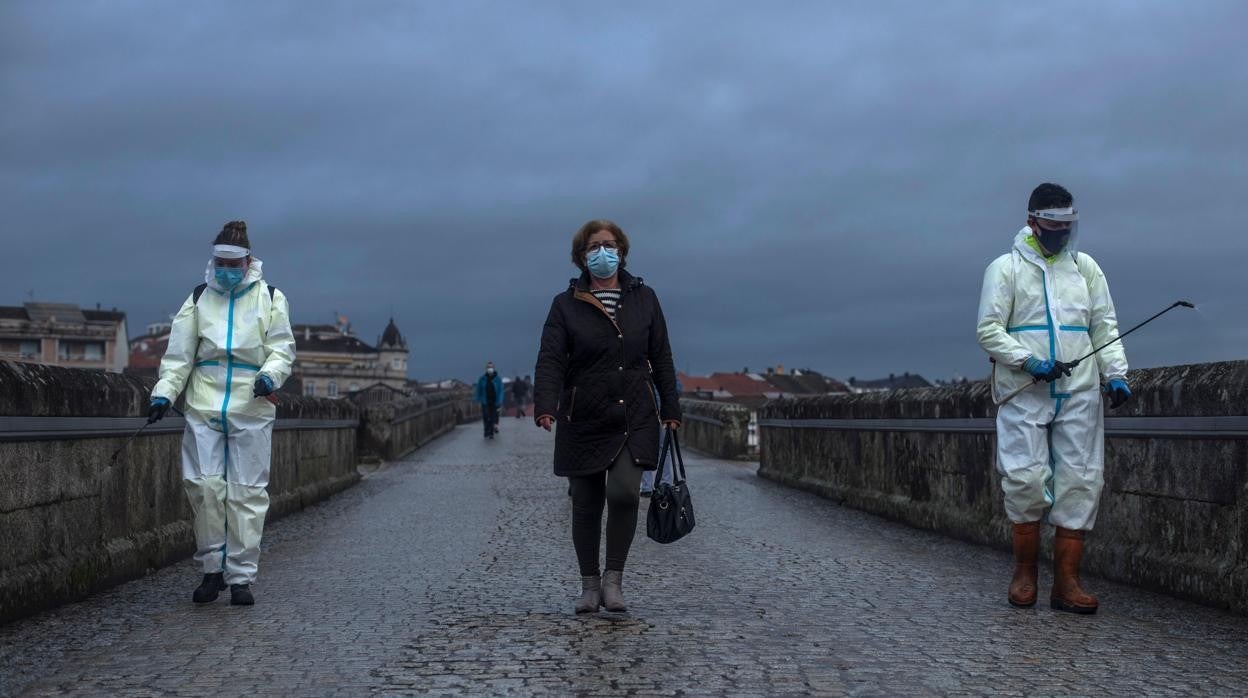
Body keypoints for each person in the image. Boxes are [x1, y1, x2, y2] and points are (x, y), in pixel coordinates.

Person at [976, 183, 1130, 614]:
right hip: (1024, 391)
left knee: (1081, 481)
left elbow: (1104, 324)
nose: (1062, 234)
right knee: (1024, 478)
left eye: (1068, 226)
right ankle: (1024, 573)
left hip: (1079, 389)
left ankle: (1067, 584)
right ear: (1033, 222)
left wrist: (1115, 373)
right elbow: (988, 330)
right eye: (1054, 226)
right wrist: (1028, 361)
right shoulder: (1003, 269)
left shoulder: (1085, 269)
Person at [534, 219, 682, 614]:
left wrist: (671, 407)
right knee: (585, 502)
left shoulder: (644, 298)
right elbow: (550, 357)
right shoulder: (565, 303)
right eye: (595, 246)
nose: (604, 251)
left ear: (622, 250)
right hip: (583, 412)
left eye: (611, 244)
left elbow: (662, 355)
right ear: (582, 256)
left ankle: (614, 579)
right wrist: (546, 405)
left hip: (634, 411)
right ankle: (589, 584)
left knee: (623, 493)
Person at [147, 221, 296, 606]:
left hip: (252, 403)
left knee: (246, 491)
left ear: (248, 262)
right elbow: (179, 355)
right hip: (203, 402)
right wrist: (164, 392)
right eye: (220, 262)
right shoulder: (198, 298)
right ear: (213, 261)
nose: (226, 269)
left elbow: (281, 348)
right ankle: (212, 569)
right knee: (204, 486)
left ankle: (242, 577)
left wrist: (269, 376)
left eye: (233, 262)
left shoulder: (271, 298)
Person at [475, 362, 504, 439]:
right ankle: (486, 430)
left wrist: (500, 400)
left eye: (491, 367)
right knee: (486, 416)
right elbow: (478, 390)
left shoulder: (498, 379)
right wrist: (477, 399)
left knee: (492, 417)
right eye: (488, 367)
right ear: (486, 369)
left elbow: (501, 390)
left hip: (494, 401)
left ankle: (491, 433)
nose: (490, 369)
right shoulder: (482, 379)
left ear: (494, 369)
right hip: (485, 401)